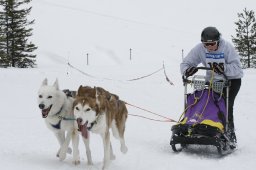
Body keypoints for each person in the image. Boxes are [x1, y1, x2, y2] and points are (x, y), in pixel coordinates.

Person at [180, 26, 243, 144]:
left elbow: (238, 69)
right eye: (206, 44)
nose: (209, 47)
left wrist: (224, 68)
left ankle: (229, 135)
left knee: (225, 106)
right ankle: (206, 128)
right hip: (213, 81)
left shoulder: (227, 47)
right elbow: (186, 63)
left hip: (231, 81)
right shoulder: (199, 49)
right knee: (207, 104)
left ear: (218, 41)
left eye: (212, 44)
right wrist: (187, 70)